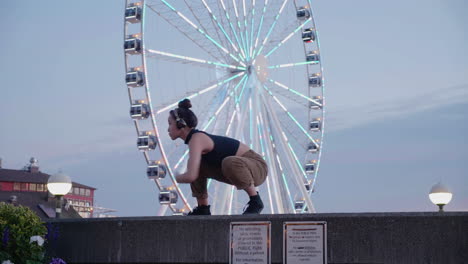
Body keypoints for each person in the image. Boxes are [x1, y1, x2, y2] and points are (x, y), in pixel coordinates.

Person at [168, 99, 268, 215]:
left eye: (170, 124)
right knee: (198, 165)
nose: (168, 129)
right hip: (235, 169)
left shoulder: (197, 138)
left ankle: (255, 200)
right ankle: (203, 208)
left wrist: (175, 177)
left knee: (228, 162)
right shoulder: (193, 140)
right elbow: (194, 172)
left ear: (181, 124)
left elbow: (191, 176)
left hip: (256, 167)